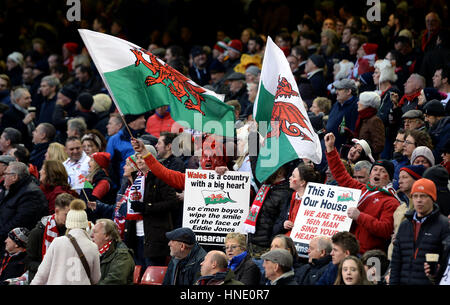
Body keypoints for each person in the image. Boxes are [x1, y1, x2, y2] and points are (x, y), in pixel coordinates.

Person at [324, 132, 400, 254]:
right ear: (370, 174)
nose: (377, 173)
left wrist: (360, 216)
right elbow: (341, 175)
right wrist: (331, 149)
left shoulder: (391, 201)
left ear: (389, 178)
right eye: (375, 169)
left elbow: (385, 229)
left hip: (367, 255)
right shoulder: (362, 188)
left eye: (382, 171)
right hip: (347, 250)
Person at [390, 178, 450, 285]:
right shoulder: (404, 224)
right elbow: (396, 262)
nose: (418, 200)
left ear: (432, 198)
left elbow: (446, 262)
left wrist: (438, 270)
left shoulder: (444, 225)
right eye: (415, 196)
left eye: (423, 196)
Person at [30, 199, 101, 285]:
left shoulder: (57, 242)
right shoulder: (93, 247)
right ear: (85, 223)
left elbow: (42, 274)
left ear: (68, 223)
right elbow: (96, 278)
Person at [25, 192, 74, 282]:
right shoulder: (38, 232)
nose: (69, 218)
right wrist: (50, 268)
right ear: (57, 211)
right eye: (66, 215)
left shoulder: (72, 231)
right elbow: (29, 262)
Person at [0, 161, 47, 251]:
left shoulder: (31, 194)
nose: (3, 176)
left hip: (18, 245)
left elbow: (19, 222)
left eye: (6, 174)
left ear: (14, 177)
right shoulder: (12, 190)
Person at [280, 163, 322, 236]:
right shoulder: (293, 196)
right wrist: (285, 223)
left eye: (293, 176)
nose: (290, 178)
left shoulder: (314, 202)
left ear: (302, 182)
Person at [106, 113, 147, 187]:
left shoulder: (148, 137)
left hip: (145, 181)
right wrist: (115, 185)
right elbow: (109, 163)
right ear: (132, 121)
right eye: (141, 118)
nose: (144, 120)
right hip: (123, 182)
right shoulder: (115, 139)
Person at [92, 218, 135, 285]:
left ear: (107, 236)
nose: (91, 235)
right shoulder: (94, 252)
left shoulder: (122, 255)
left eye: (95, 232)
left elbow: (115, 281)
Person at [325, 78, 359, 151]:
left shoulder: (356, 106)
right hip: (329, 145)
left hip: (342, 149)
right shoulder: (336, 104)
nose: (336, 92)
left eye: (339, 89)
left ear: (349, 91)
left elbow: (353, 130)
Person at [354, 91, 385, 158]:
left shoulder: (375, 121)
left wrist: (364, 152)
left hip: (368, 161)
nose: (357, 103)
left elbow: (379, 145)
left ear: (366, 105)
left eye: (360, 101)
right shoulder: (362, 118)